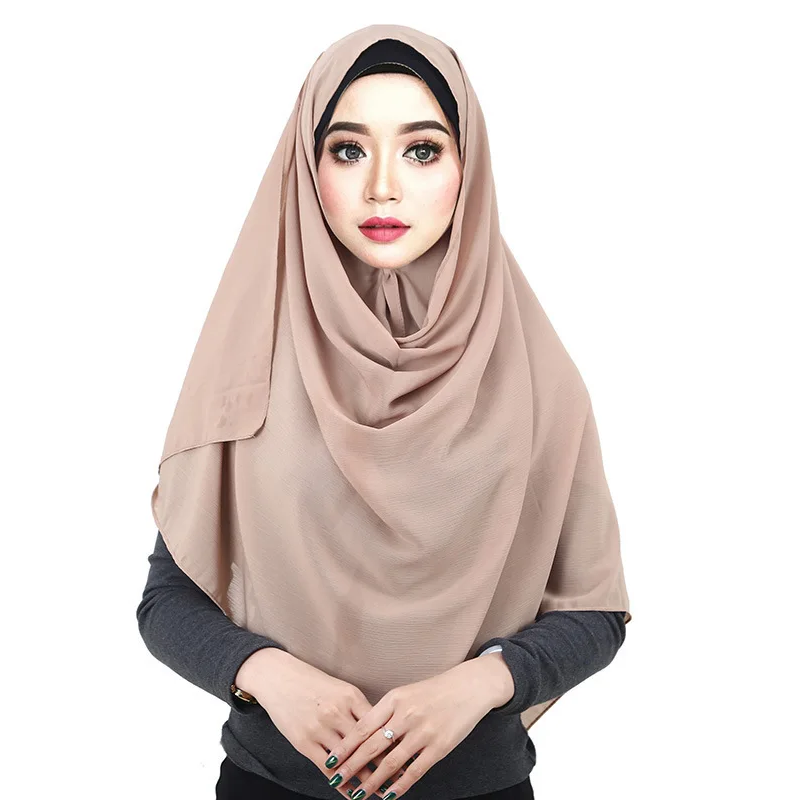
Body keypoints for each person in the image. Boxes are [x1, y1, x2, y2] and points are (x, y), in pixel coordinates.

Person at [136, 24, 632, 800]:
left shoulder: (539, 378)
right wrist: (266, 673)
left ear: (469, 167)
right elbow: (168, 599)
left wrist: (483, 682)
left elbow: (594, 611)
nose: (382, 187)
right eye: (347, 150)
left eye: (422, 150)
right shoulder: (248, 365)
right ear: (307, 167)